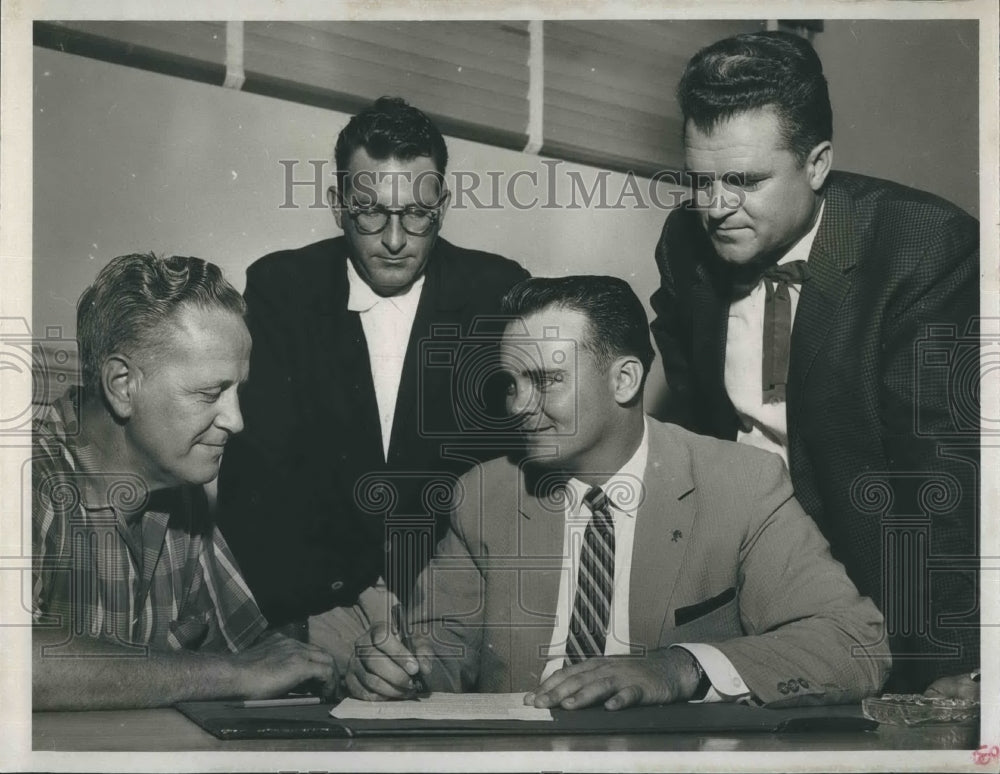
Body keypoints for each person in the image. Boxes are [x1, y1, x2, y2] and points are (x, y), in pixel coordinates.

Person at [346, 276, 890, 709]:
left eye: (546, 380)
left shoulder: (742, 484)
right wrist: (395, 667)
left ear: (625, 380)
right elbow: (439, 651)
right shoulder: (482, 495)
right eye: (511, 383)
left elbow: (855, 643)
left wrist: (683, 668)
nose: (516, 406)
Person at [648, 31, 980, 697]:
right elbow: (697, 433)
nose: (714, 208)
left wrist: (952, 667)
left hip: (890, 603)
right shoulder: (685, 243)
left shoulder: (924, 249)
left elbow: (941, 484)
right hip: (742, 598)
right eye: (700, 180)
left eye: (744, 181)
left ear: (819, 162)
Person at [216, 97, 529, 673]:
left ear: (443, 206)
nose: (393, 239)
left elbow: (505, 477)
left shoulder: (497, 292)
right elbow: (260, 474)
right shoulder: (282, 288)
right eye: (369, 212)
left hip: (458, 593)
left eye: (417, 214)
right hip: (319, 588)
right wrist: (362, 591)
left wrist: (432, 605)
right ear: (337, 205)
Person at [32, 253, 337, 710]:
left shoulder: (180, 494)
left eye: (238, 392)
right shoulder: (26, 476)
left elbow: (254, 648)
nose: (235, 421)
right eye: (209, 394)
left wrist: (351, 660)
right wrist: (232, 673)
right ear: (122, 384)